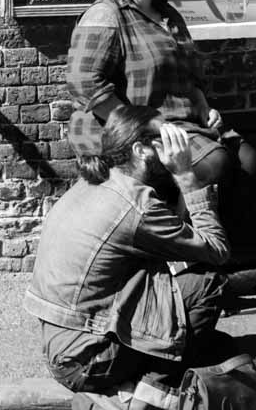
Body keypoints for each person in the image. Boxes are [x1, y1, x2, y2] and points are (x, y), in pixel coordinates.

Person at [25, 104, 230, 410]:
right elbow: (216, 249)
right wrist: (185, 174)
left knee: (208, 331)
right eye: (165, 138)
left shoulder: (93, 182)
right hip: (89, 359)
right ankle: (148, 392)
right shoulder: (136, 205)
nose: (175, 145)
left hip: (62, 347)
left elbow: (171, 246)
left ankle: (138, 376)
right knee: (208, 283)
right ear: (140, 150)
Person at [65, 0, 255, 194]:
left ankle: (211, 231)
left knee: (248, 160)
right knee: (215, 162)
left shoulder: (169, 15)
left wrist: (203, 108)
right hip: (129, 133)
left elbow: (190, 75)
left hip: (180, 124)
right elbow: (83, 83)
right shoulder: (105, 15)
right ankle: (176, 231)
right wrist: (148, 123)